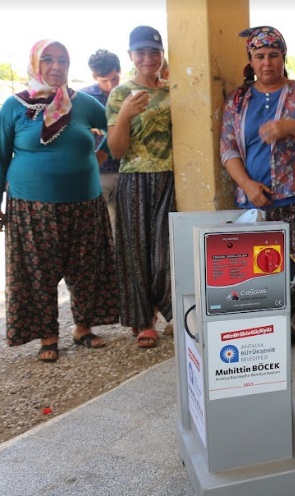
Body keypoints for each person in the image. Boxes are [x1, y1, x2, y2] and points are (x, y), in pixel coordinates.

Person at [0, 40, 119, 362]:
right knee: (38, 272)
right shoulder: (14, 106)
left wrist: (102, 152)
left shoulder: (84, 103)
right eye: (48, 60)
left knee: (86, 269)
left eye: (63, 60)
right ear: (36, 64)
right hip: (31, 205)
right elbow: (1, 155)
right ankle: (47, 337)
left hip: (85, 202)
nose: (56, 66)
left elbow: (113, 127)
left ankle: (83, 328)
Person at [220, 26, 295, 311]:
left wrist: (293, 127)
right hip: (259, 204)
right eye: (259, 56)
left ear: (283, 57)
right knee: (264, 280)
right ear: (251, 59)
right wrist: (246, 185)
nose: (267, 63)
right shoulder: (238, 100)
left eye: (273, 55)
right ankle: (274, 341)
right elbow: (227, 148)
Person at [106, 25, 174, 349]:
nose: (149, 58)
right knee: (135, 253)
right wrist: (124, 115)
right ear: (131, 55)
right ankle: (144, 321)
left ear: (162, 55)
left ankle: (170, 309)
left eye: (155, 52)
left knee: (165, 253)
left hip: (168, 178)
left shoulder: (173, 92)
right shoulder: (120, 94)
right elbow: (116, 151)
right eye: (141, 52)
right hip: (134, 179)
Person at [80, 49, 121, 229]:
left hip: (124, 171)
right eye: (104, 81)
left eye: (115, 79)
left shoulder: (128, 94)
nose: (111, 85)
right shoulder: (83, 99)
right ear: (94, 77)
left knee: (119, 227)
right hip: (97, 173)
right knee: (95, 226)